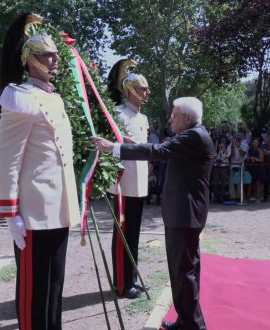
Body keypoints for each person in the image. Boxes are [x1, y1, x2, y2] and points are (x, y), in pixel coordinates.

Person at [92, 96, 214, 330]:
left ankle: (194, 325)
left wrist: (114, 148)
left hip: (185, 214)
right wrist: (127, 144)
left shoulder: (194, 136)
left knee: (183, 271)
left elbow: (159, 151)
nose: (170, 118)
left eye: (174, 114)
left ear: (187, 118)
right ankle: (186, 320)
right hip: (184, 213)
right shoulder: (191, 135)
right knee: (184, 270)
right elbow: (162, 149)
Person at [0, 13, 80, 330]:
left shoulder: (52, 97)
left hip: (58, 207)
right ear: (30, 60)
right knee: (35, 288)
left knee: (55, 282)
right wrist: (10, 211)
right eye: (47, 53)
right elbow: (6, 158)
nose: (54, 58)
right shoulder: (20, 98)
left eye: (55, 53)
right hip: (33, 210)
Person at [106, 59, 151, 299]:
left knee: (133, 235)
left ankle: (130, 278)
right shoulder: (118, 114)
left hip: (139, 182)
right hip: (124, 184)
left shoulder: (142, 118)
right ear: (132, 90)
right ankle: (122, 283)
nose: (147, 93)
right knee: (123, 235)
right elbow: (112, 145)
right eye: (143, 88)